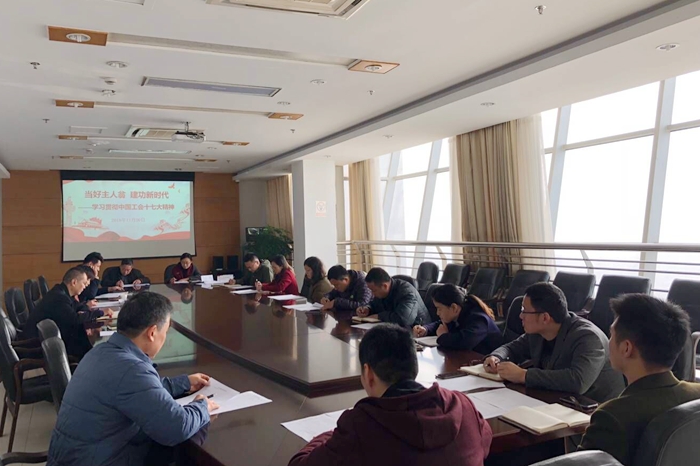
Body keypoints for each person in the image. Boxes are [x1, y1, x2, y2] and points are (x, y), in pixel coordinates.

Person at [48, 292, 218, 466]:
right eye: (165, 332)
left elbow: (139, 391)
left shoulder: (99, 352)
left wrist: (184, 383)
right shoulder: (132, 369)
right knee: (191, 433)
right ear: (152, 332)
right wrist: (202, 407)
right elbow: (176, 428)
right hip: (99, 460)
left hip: (73, 457)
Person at [288, 324, 492, 466]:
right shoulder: (462, 404)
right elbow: (484, 440)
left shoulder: (361, 425)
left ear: (368, 373)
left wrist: (331, 435)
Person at [579, 294, 700, 465]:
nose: (609, 341)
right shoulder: (697, 394)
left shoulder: (612, 416)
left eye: (611, 335)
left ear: (626, 348)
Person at [483, 282, 624, 403]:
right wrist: (496, 357)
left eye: (524, 310)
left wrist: (523, 375)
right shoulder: (537, 333)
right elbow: (512, 348)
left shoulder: (588, 337)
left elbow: (578, 381)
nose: (520, 316)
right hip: (558, 400)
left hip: (594, 409)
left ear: (545, 318)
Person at [24, 267, 112, 359]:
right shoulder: (59, 297)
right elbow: (75, 319)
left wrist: (89, 312)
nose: (85, 286)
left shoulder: (62, 292)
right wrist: (100, 312)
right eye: (83, 283)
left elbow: (78, 307)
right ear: (74, 282)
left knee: (85, 337)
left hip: (50, 337)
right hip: (41, 343)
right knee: (87, 343)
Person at [413, 284, 503, 353]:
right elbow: (440, 324)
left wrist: (443, 337)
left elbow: (464, 342)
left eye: (439, 308)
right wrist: (426, 329)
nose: (437, 313)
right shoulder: (457, 314)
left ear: (454, 307)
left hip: (489, 364)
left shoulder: (479, 319)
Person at [357, 267, 430, 328]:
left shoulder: (406, 292)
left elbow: (404, 320)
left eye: (374, 290)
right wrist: (368, 309)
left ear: (385, 286)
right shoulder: (382, 292)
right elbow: (375, 305)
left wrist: (379, 316)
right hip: (395, 330)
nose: (372, 294)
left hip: (419, 331)